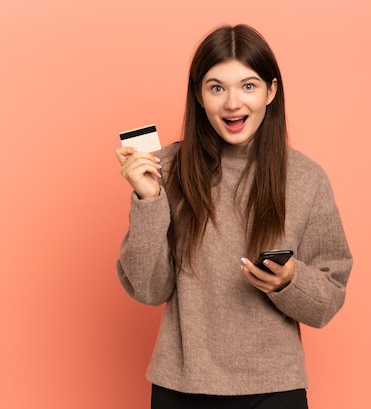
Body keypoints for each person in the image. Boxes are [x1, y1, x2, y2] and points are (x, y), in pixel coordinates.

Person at [114, 24, 352, 409]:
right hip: (180, 388)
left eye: (248, 86)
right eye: (217, 87)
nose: (232, 104)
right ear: (199, 94)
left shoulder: (306, 178)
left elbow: (327, 302)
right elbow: (148, 290)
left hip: (275, 389)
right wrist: (148, 200)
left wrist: (289, 281)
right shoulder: (166, 169)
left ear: (271, 91)